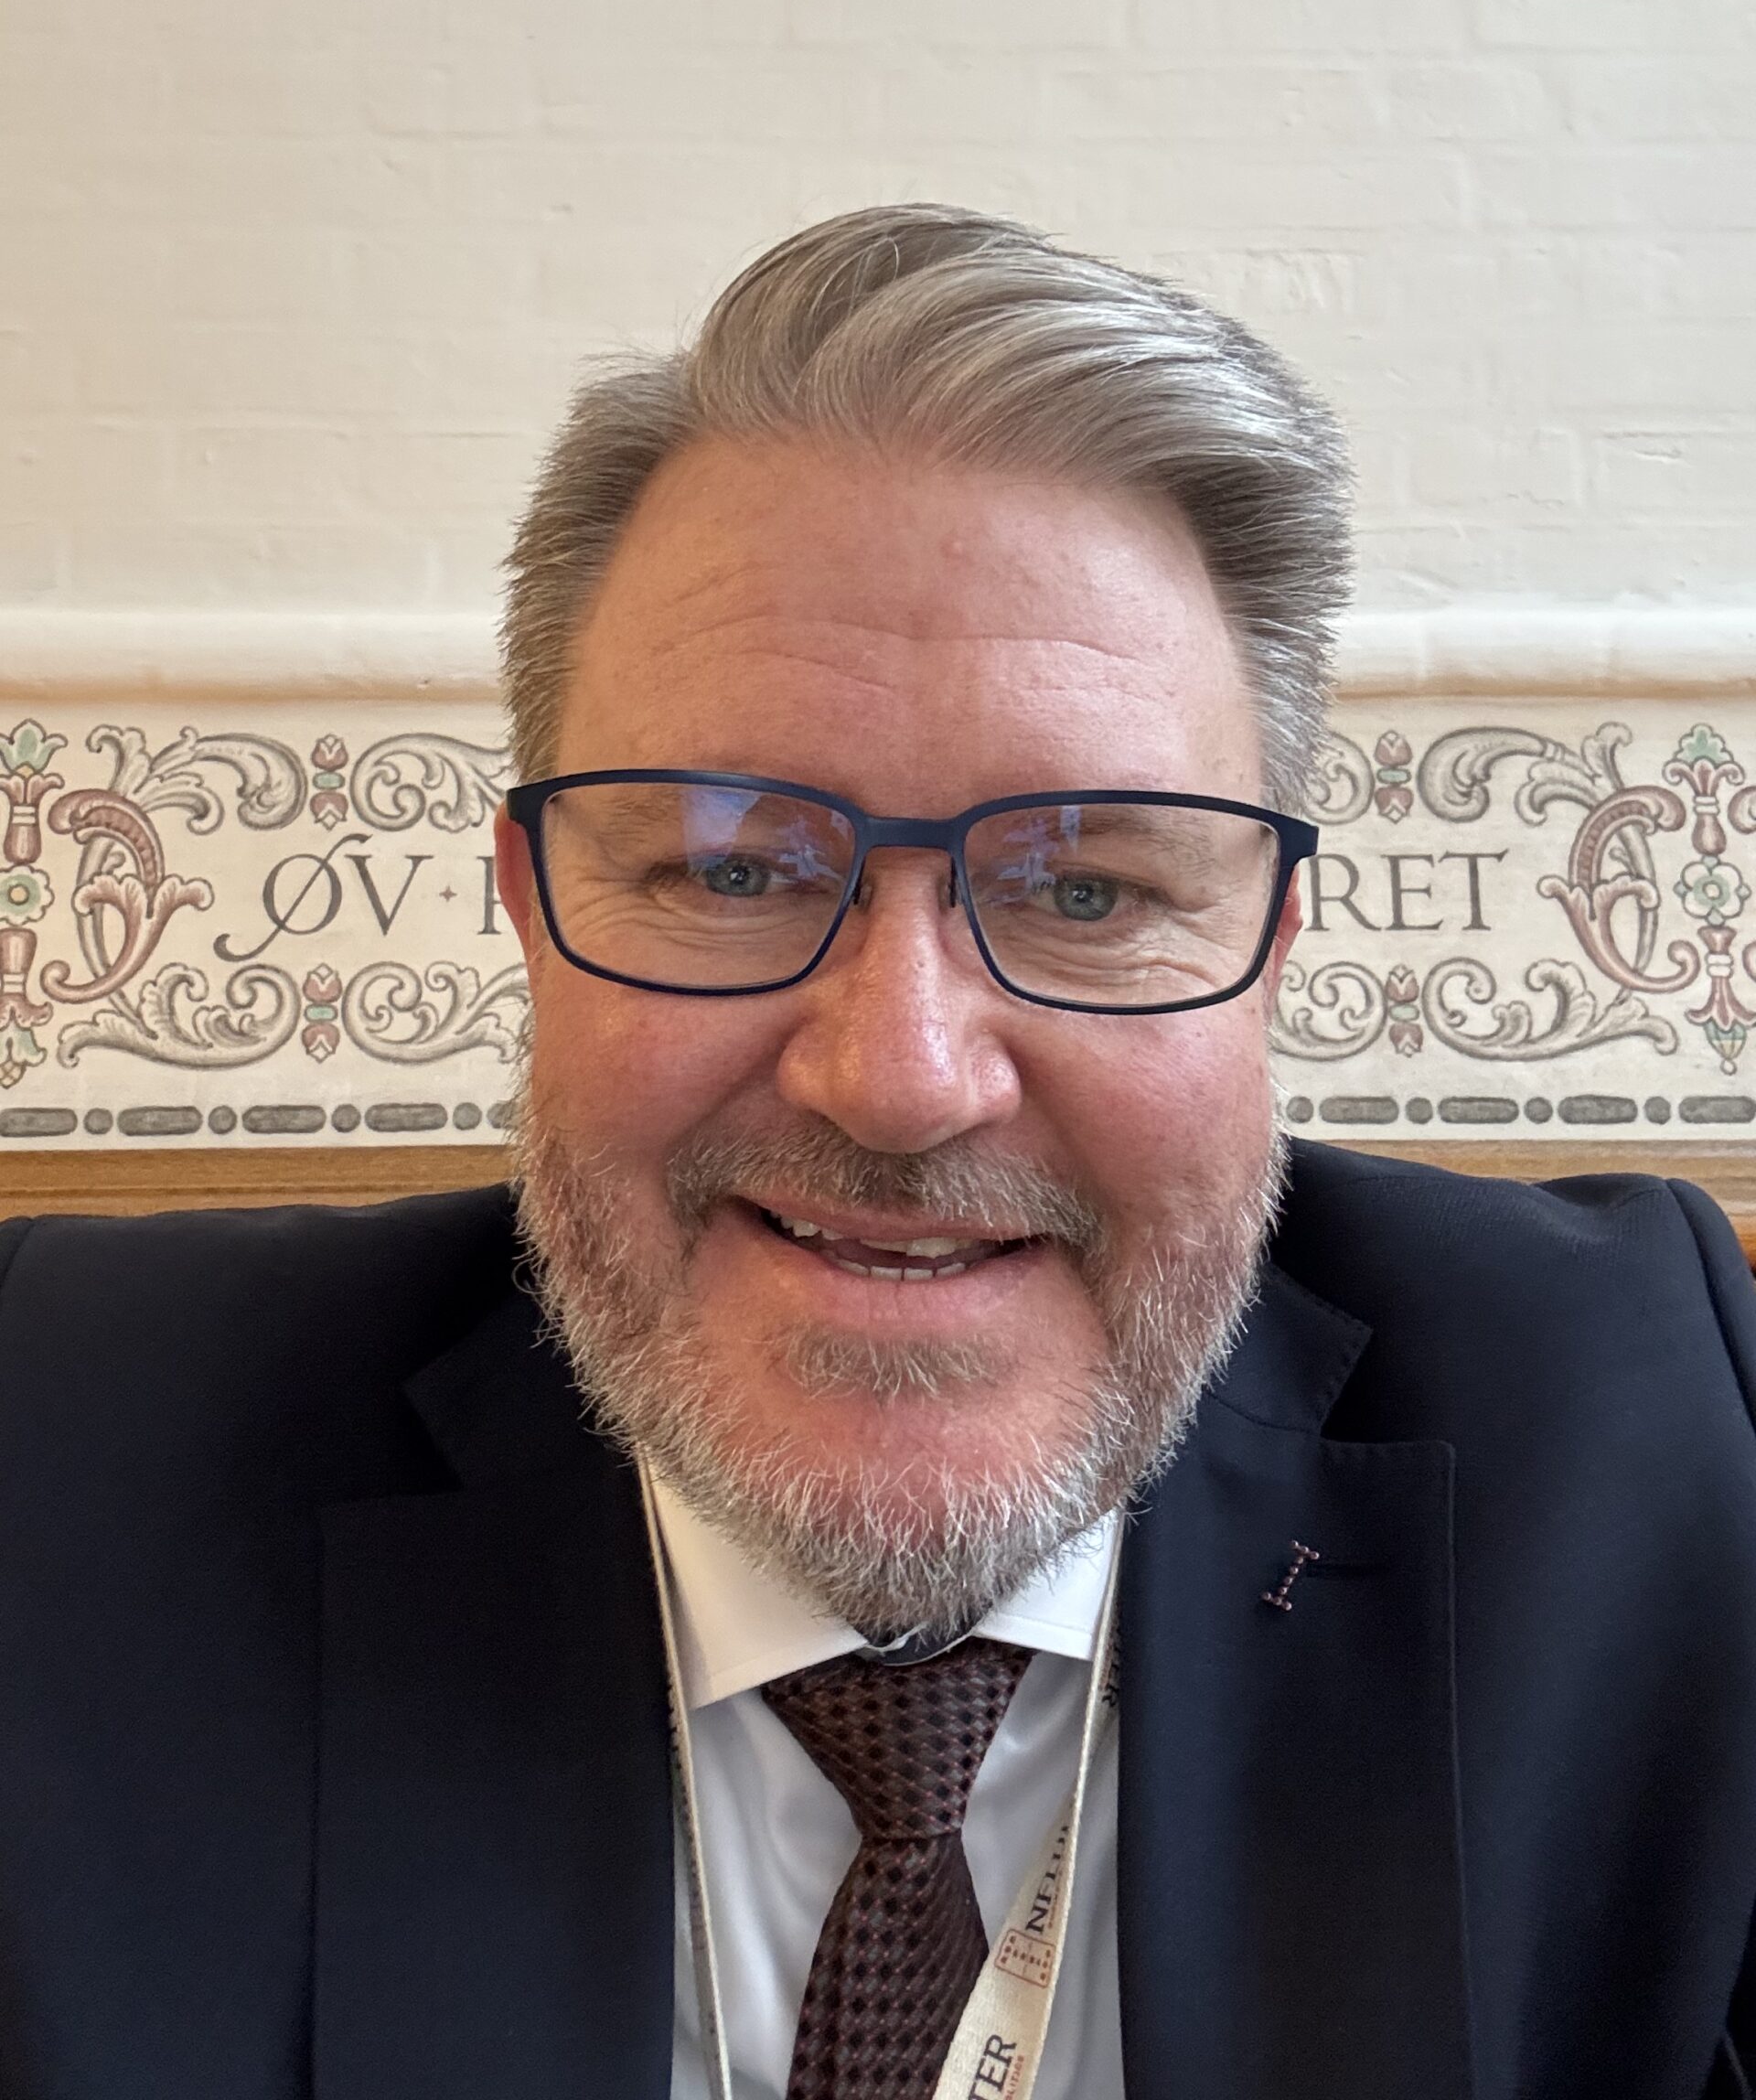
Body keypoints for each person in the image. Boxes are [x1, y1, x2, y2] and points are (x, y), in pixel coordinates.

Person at [1, 205, 1752, 2100]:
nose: (901, 1080)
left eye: (1087, 888)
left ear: (1267, 941)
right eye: (734, 871)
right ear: (529, 903)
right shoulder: (69, 1448)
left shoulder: (1653, 1438)